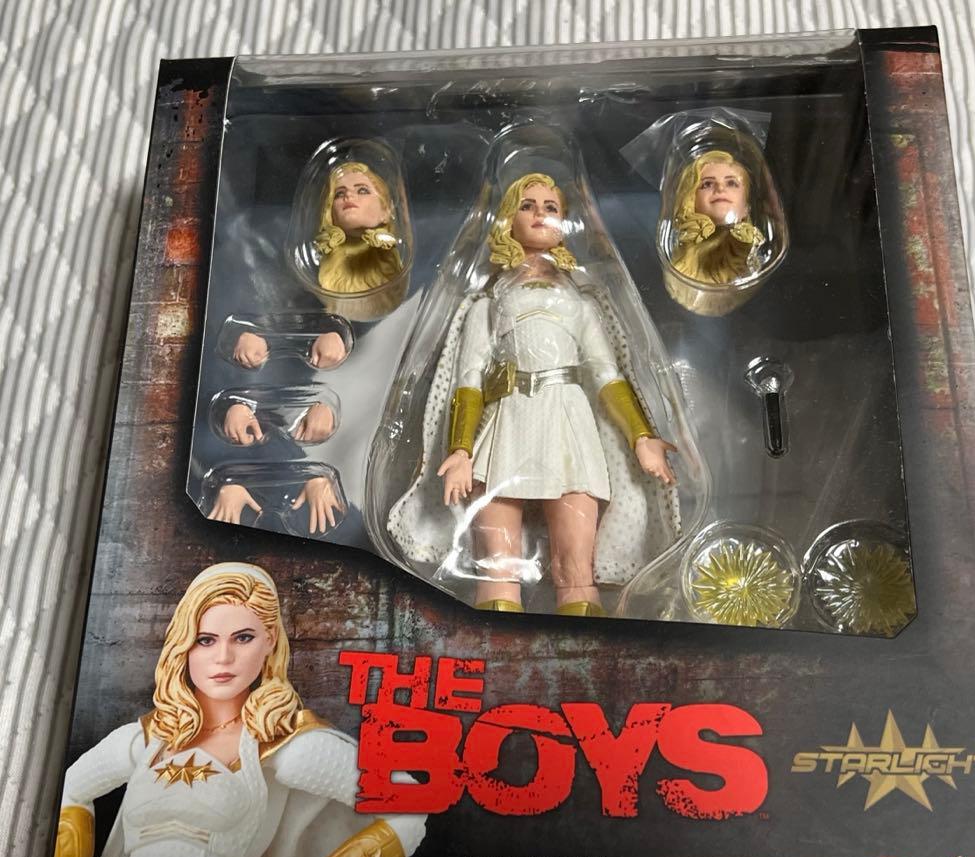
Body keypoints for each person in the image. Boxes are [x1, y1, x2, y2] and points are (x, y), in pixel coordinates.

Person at [50, 562, 450, 857]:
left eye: (243, 637)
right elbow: (69, 790)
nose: (223, 657)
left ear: (270, 640)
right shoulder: (148, 739)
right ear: (183, 644)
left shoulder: (281, 745)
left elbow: (409, 806)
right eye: (205, 640)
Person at [388, 173, 680, 616]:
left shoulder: (582, 303)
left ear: (565, 223)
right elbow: (468, 380)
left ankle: (585, 647)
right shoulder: (488, 302)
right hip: (508, 423)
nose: (540, 213)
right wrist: (461, 449)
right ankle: (498, 642)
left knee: (575, 569)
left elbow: (607, 374)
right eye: (527, 205)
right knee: (498, 567)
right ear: (508, 218)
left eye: (551, 206)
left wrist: (642, 437)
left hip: (568, 423)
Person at [670, 150, 765, 285]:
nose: (720, 188)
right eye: (707, 184)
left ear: (746, 206)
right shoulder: (678, 266)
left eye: (731, 183)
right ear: (691, 200)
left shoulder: (756, 256)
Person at [314, 160, 403, 296]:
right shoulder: (331, 244)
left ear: (385, 211)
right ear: (330, 213)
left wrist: (380, 239)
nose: (348, 195)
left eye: (362, 190)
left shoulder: (383, 243)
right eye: (339, 194)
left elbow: (390, 242)